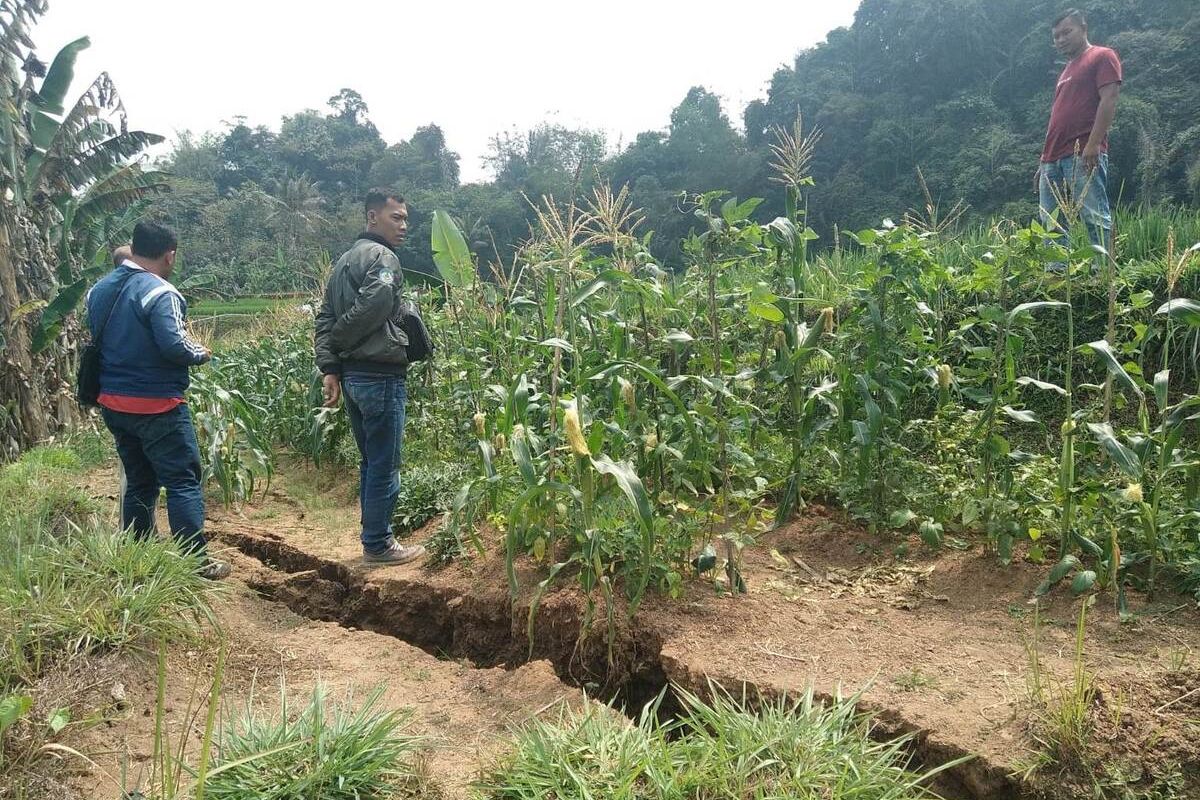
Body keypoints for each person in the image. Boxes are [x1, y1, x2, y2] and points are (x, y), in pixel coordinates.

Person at [86, 222, 230, 579]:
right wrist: (201, 353)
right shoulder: (160, 293)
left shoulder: (99, 290)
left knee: (139, 480)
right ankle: (195, 562)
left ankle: (138, 553)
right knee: (182, 480)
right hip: (157, 405)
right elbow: (172, 345)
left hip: (113, 403)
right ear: (170, 255)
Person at [315, 188, 426, 565]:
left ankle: (372, 537)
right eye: (396, 217)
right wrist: (340, 341)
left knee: (369, 462)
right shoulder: (383, 258)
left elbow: (324, 317)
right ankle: (378, 544)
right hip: (380, 376)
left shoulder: (344, 262)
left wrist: (330, 366)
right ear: (372, 217)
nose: (404, 226)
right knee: (384, 463)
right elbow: (375, 303)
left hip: (354, 378)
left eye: (405, 218)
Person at [1038, 8, 1122, 259]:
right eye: (1056, 36)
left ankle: (1105, 274)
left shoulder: (1102, 56)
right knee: (1051, 221)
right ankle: (1055, 276)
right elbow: (1057, 117)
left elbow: (1109, 99)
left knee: (1094, 214)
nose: (1061, 39)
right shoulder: (1064, 72)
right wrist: (1042, 162)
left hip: (1082, 152)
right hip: (1051, 158)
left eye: (1067, 32)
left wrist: (1094, 143)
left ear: (1083, 28)